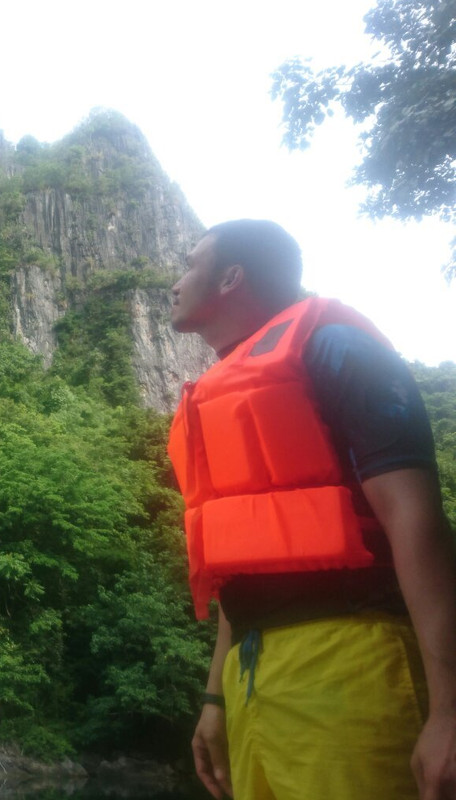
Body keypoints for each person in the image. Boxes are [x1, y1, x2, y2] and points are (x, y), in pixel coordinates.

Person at [165, 219, 456, 800]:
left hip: (351, 658)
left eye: (189, 264)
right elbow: (241, 558)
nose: (174, 282)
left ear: (231, 277)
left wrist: (450, 708)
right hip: (251, 673)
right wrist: (215, 698)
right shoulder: (222, 388)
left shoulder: (335, 346)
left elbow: (414, 520)